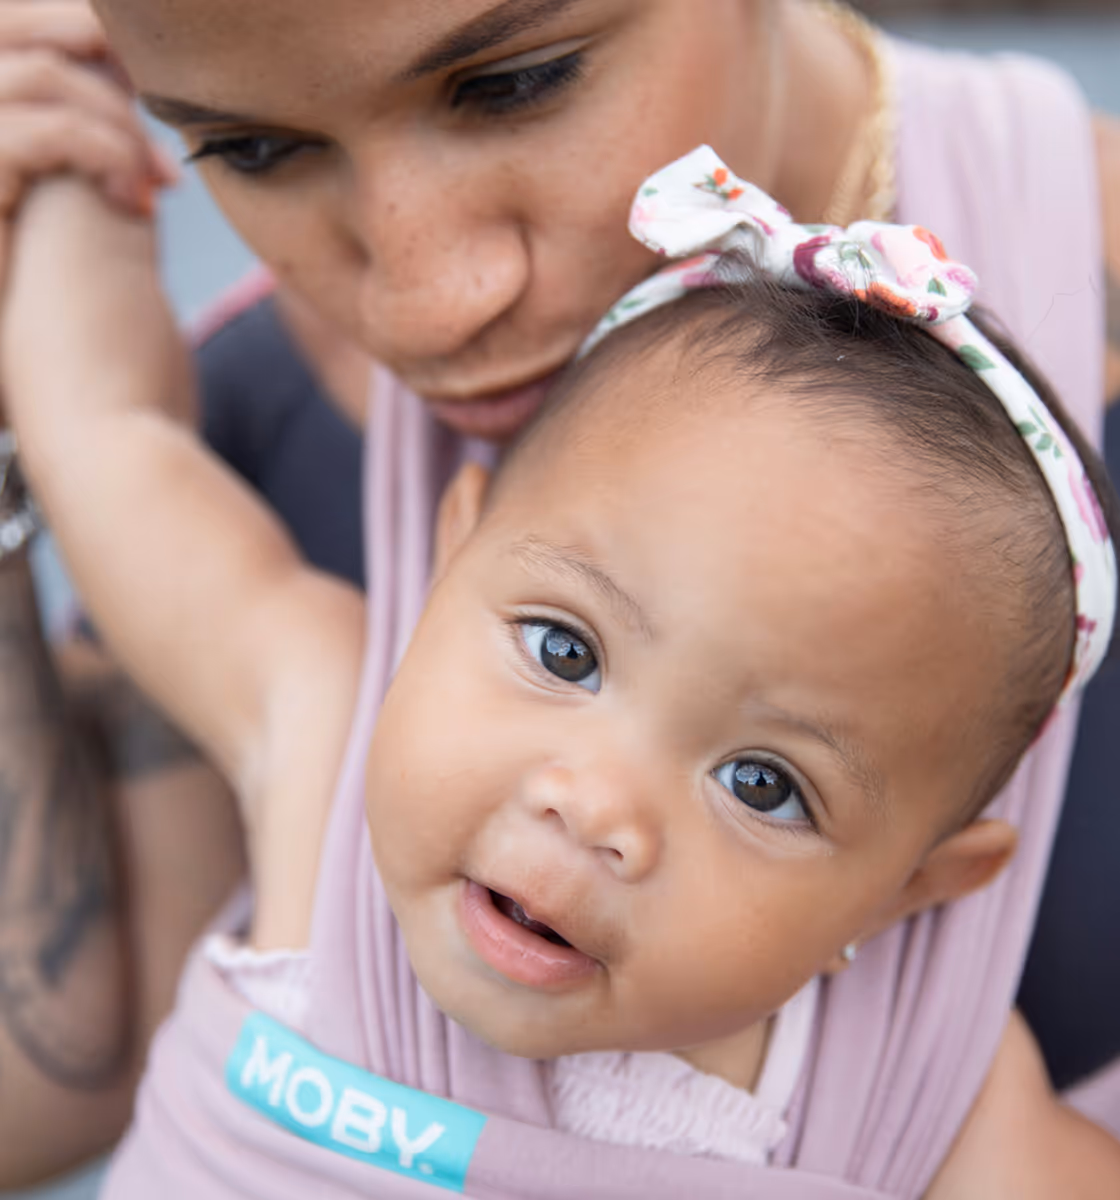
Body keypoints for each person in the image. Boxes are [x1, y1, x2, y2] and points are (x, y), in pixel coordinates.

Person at [1, 0, 1120, 1183]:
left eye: (519, 80)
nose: (593, 807)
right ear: (448, 552)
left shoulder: (919, 1065)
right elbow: (109, 432)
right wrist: (61, 200)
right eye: (564, 655)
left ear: (913, 890)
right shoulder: (321, 723)